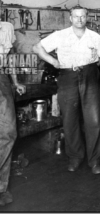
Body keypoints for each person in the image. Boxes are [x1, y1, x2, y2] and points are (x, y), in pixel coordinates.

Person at [33, 5, 100, 175]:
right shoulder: (60, 36)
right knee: (70, 120)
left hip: (90, 77)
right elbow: (37, 47)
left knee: (94, 121)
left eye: (82, 16)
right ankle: (75, 157)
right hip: (67, 78)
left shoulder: (95, 37)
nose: (79, 19)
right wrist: (53, 62)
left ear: (87, 17)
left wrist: (91, 67)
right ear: (70, 18)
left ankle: (95, 161)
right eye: (76, 16)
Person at [0, 20, 26, 206]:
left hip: (2, 81)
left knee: (8, 133)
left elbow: (10, 57)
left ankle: (1, 188)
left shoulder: (6, 27)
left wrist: (15, 81)